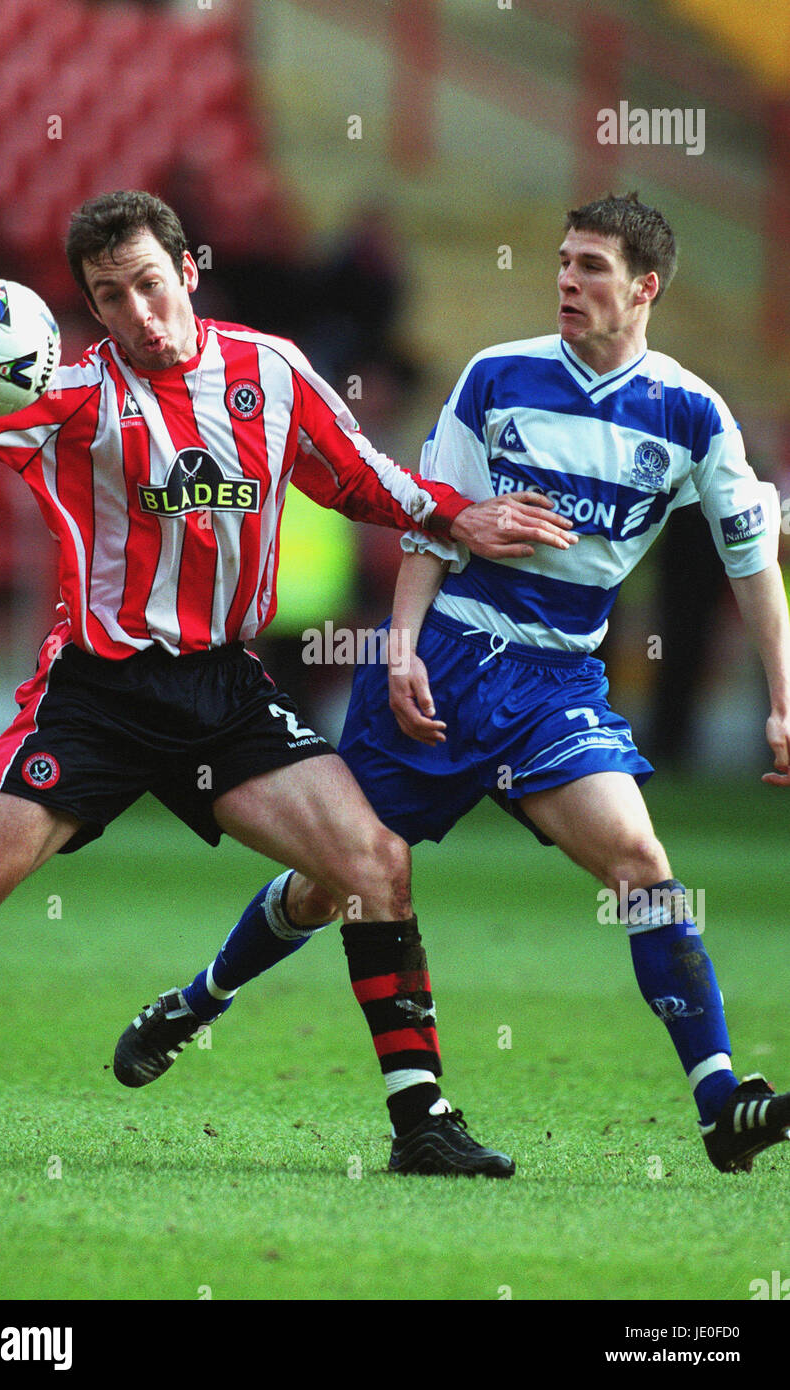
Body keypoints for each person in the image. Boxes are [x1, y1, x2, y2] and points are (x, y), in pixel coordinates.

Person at [116, 192, 790, 1177]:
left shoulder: (688, 415)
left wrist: (780, 697)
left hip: (557, 683)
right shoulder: (497, 379)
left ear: (643, 288)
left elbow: (748, 560)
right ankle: (198, 1000)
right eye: (562, 261)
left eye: (591, 266)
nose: (566, 279)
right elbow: (435, 519)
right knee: (330, 884)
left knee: (640, 864)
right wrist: (398, 648)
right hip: (449, 663)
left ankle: (719, 1099)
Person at [0, 190, 577, 1179]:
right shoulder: (57, 399)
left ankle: (420, 1123)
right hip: (93, 697)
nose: (136, 313)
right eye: (109, 297)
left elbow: (359, 476)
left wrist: (457, 519)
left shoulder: (267, 370)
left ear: (187, 271)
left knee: (374, 865)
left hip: (223, 694)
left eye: (148, 284)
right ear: (90, 309)